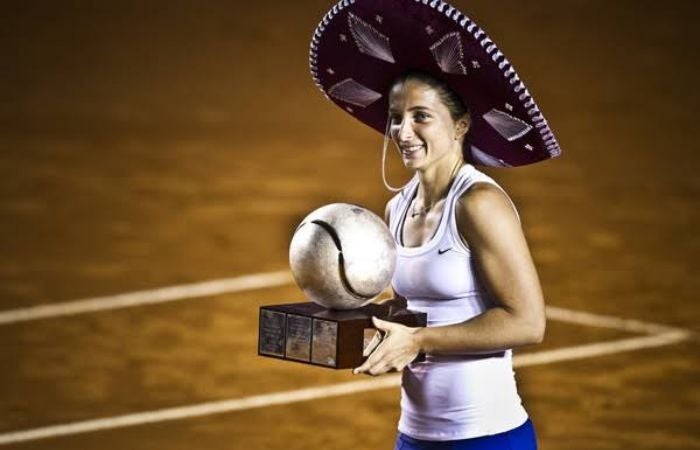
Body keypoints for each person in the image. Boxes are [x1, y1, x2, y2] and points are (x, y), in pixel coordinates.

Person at [309, 1, 562, 448]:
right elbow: (414, 315)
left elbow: (528, 322)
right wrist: (352, 323)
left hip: (487, 437)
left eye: (420, 116)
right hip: (415, 437)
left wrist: (419, 341)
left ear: (461, 125)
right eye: (396, 117)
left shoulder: (479, 203)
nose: (403, 132)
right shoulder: (397, 208)